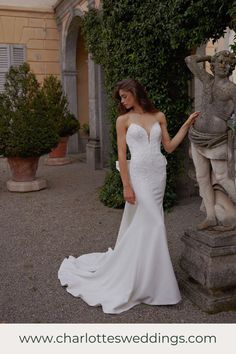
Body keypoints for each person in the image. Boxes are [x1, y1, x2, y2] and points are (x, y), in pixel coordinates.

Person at [58, 78, 199, 314]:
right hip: (139, 176)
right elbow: (122, 155)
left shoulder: (159, 116)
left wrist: (186, 124)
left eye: (124, 96)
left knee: (150, 223)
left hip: (157, 174)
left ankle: (147, 275)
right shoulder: (122, 120)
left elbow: (170, 146)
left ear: (135, 92)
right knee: (154, 222)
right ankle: (158, 284)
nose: (122, 101)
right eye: (120, 98)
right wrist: (126, 185)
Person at [185, 51, 236, 230]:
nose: (222, 65)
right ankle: (211, 216)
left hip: (217, 139)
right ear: (213, 65)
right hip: (197, 136)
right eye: (219, 62)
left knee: (222, 176)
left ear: (231, 67)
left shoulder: (232, 88)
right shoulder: (207, 80)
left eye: (226, 62)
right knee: (202, 177)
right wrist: (208, 58)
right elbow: (189, 60)